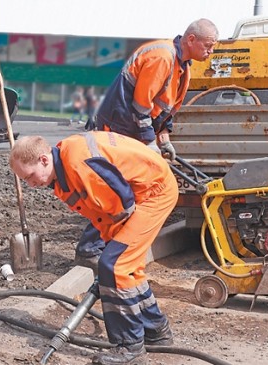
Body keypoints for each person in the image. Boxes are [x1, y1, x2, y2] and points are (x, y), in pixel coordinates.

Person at [9, 133, 178, 365]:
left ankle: (129, 347)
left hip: (153, 193)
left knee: (116, 266)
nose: (31, 184)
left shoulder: (79, 165)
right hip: (144, 192)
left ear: (44, 160)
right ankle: (157, 331)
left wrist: (111, 259)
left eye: (30, 176)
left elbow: (123, 205)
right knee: (127, 266)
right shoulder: (63, 171)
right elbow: (102, 213)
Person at [75, 18, 219, 271]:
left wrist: (164, 138)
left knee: (132, 190)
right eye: (208, 45)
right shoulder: (162, 57)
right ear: (191, 40)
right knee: (118, 190)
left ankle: (108, 245)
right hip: (118, 127)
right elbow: (141, 107)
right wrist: (149, 144)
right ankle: (88, 250)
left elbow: (163, 109)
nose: (211, 51)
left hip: (131, 128)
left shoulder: (183, 66)